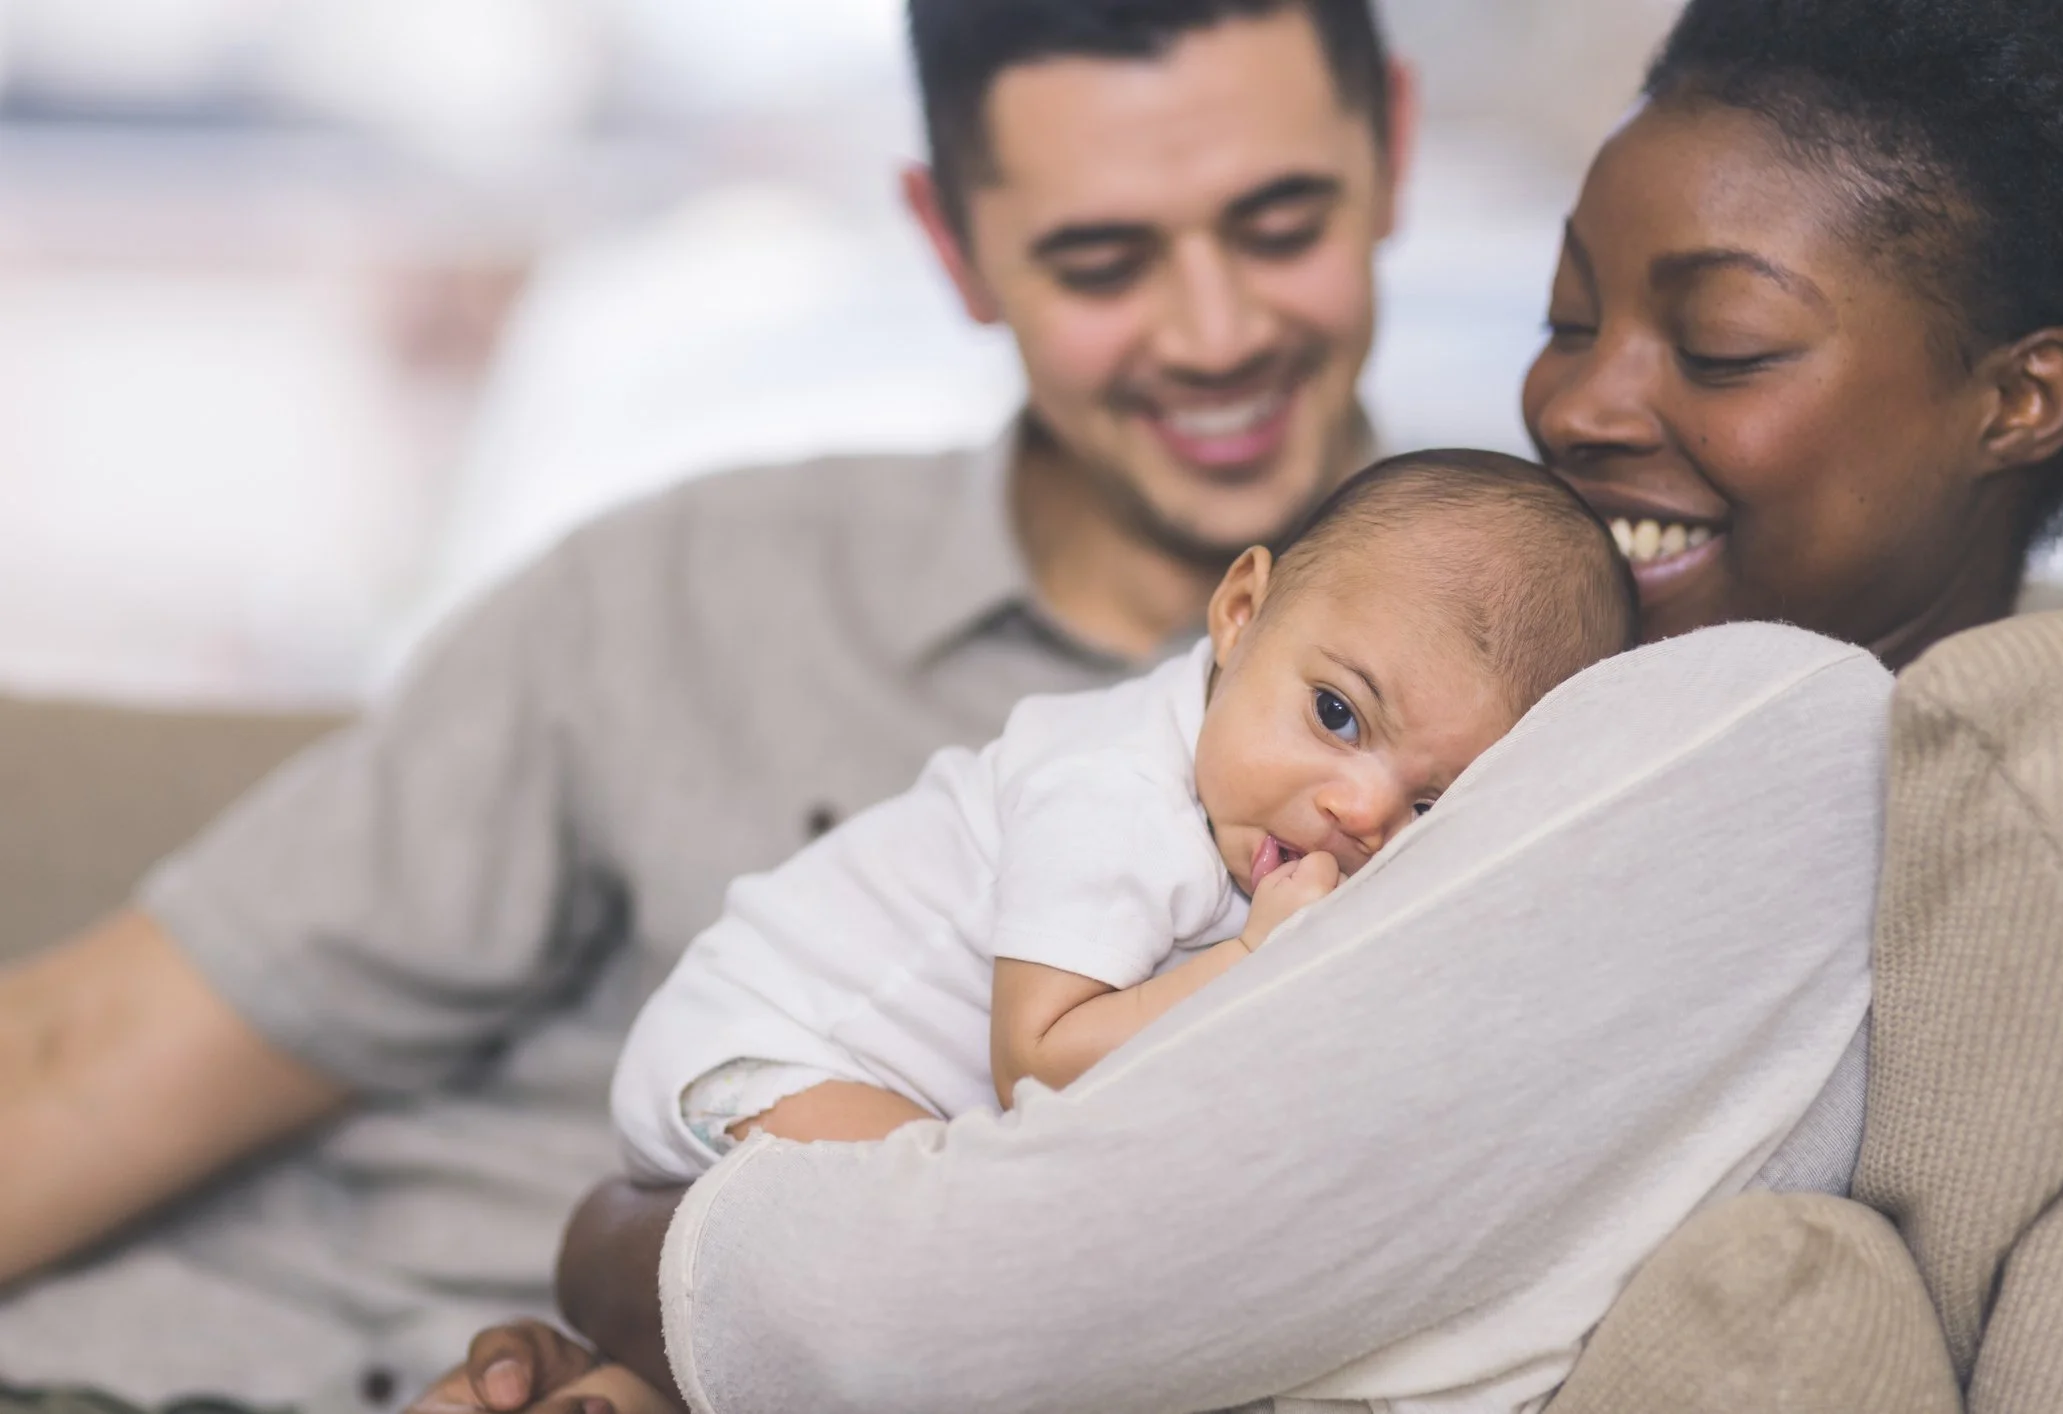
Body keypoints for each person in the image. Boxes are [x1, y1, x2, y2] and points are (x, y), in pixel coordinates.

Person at [425, 0, 2063, 1409]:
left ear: (2021, 394)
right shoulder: (1534, 706)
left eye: (1726, 344)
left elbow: (966, 1292)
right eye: (1564, 316)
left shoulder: (1781, 748)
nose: (1580, 402)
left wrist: (627, 1244)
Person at [0, 2, 1412, 1408]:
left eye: (1280, 226)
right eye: (1100, 260)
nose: (1217, 330)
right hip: (141, 1360)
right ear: (953, 247)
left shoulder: (1522, 733)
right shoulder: (687, 588)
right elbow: (88, 1051)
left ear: (1393, 155)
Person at [611, 453, 1638, 1181]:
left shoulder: (1258, 830)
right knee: (954, 1250)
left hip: (880, 1090)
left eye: (1434, 804)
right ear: (1240, 615)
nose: (1362, 811)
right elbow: (1041, 1059)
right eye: (1336, 713)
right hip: (761, 1047)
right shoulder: (1117, 792)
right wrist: (1249, 966)